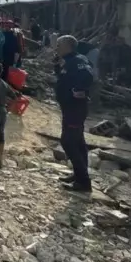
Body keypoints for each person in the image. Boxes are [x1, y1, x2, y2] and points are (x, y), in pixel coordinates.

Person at [54, 35, 94, 193]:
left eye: (59, 45)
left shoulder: (78, 60)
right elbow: (65, 78)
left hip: (75, 108)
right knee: (78, 141)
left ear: (68, 45)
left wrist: (78, 90)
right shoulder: (69, 61)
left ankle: (84, 182)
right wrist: (57, 67)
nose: (57, 48)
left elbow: (88, 76)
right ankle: (79, 175)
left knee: (68, 142)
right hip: (69, 107)